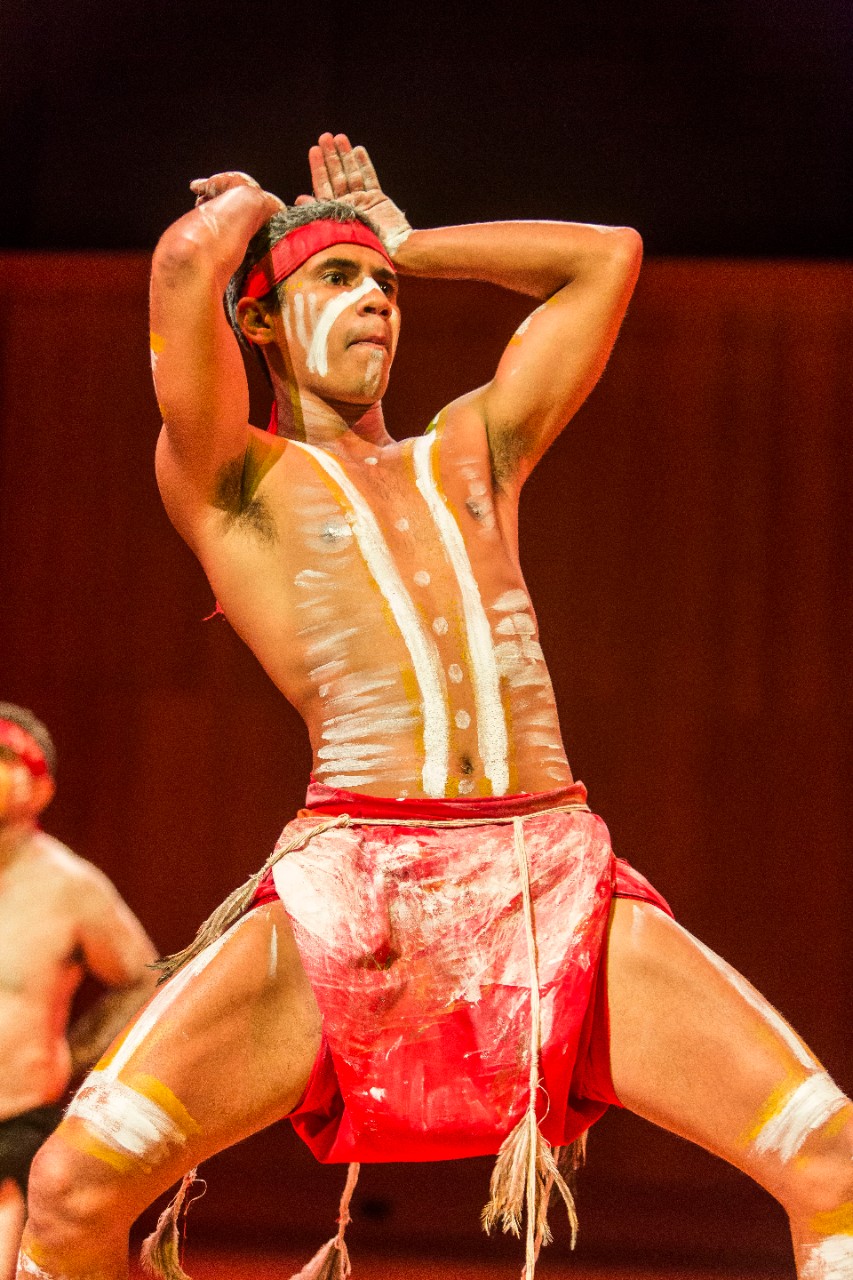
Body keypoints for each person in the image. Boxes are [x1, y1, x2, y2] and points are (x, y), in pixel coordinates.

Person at [19, 135, 852, 1280]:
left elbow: (605, 258)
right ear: (259, 322)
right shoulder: (234, 478)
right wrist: (257, 209)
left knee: (833, 1163)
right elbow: (178, 278)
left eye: (385, 289)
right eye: (336, 280)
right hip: (355, 890)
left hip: (543, 871)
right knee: (67, 1190)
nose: (375, 301)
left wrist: (403, 238)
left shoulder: (470, 453)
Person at [0, 703, 158, 1280]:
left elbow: (145, 979)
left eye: (6, 760)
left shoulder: (71, 887)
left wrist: (82, 1055)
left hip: (13, 1126)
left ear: (41, 787)